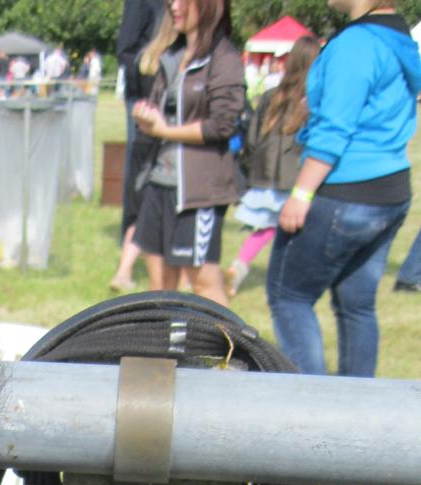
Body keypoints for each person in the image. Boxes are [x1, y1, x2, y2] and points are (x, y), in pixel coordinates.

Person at [267, 0, 421, 374]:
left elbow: (334, 133)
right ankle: (358, 413)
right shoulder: (400, 39)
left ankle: (312, 411)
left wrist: (300, 195)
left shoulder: (355, 45)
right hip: (390, 194)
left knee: (289, 296)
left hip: (343, 195)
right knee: (357, 305)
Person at [130, 0, 245, 307]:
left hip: (198, 193)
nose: (173, 5)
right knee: (160, 286)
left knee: (204, 283)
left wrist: (164, 130)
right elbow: (160, 111)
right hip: (159, 182)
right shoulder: (172, 56)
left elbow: (223, 126)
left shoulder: (224, 58)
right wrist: (146, 115)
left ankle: (228, 353)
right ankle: (166, 351)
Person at [226, 37, 319, 296]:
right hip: (294, 178)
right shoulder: (311, 99)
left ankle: (239, 266)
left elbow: (253, 138)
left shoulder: (271, 96)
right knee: (297, 232)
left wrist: (250, 168)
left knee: (264, 228)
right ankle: (290, 281)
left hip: (266, 175)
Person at [111, 0, 164, 290]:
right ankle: (126, 265)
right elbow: (126, 50)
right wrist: (146, 91)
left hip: (170, 103)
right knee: (140, 185)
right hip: (145, 103)